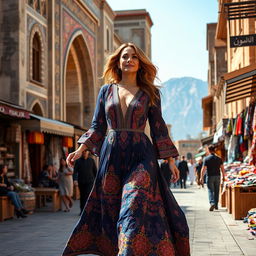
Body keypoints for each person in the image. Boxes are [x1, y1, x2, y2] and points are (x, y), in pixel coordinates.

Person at [62, 42, 190, 256]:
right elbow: (97, 126)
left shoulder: (151, 93)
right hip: (111, 158)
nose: (129, 60)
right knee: (112, 211)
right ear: (118, 62)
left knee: (133, 203)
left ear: (140, 63)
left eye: (134, 57)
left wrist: (170, 161)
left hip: (142, 156)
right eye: (124, 56)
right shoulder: (105, 91)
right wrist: (80, 149)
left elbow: (158, 127)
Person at [200, 145, 225, 211]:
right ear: (214, 150)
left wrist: (201, 177)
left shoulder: (206, 158)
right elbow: (222, 168)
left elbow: (203, 169)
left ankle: (212, 203)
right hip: (218, 176)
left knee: (210, 190)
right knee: (217, 191)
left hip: (210, 176)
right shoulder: (219, 158)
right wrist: (224, 176)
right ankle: (216, 205)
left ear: (209, 150)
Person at [73, 150, 97, 215]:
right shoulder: (78, 161)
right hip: (81, 181)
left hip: (90, 181)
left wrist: (97, 181)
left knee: (88, 196)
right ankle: (82, 211)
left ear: (88, 152)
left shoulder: (91, 160)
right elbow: (75, 171)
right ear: (82, 153)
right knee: (82, 196)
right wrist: (75, 180)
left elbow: (95, 171)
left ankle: (89, 210)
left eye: (86, 152)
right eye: (83, 152)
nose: (84, 153)